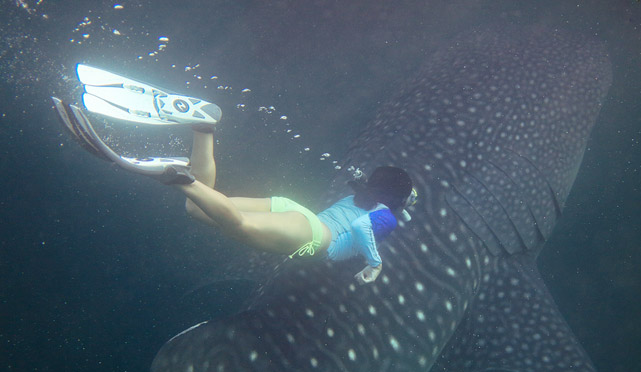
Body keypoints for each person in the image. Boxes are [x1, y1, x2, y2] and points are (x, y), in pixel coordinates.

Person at [52, 87, 415, 284]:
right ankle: (177, 177)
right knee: (234, 224)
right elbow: (362, 225)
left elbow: (369, 207)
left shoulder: (363, 193)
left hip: (293, 210)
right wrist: (375, 261)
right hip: (314, 237)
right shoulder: (386, 217)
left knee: (199, 208)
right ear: (396, 199)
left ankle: (202, 129)